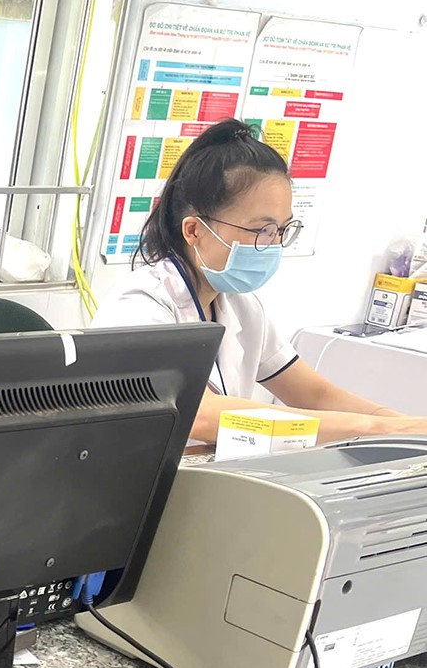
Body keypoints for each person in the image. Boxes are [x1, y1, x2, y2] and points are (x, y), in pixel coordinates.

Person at [92, 118, 427, 442]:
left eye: (281, 230)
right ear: (194, 230)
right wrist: (378, 429)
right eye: (261, 230)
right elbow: (201, 416)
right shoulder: (140, 306)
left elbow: (314, 394)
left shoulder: (240, 305)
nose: (274, 244)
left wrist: (406, 427)